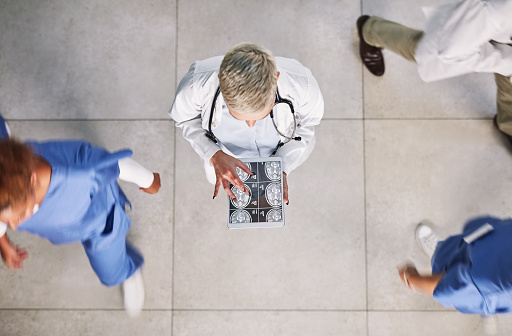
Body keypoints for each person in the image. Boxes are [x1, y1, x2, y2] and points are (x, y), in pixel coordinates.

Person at [0, 115, 161, 317]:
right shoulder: (9, 183)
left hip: (98, 222)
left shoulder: (78, 173)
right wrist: (3, 241)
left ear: (32, 180)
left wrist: (148, 180)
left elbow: (116, 165)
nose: (13, 226)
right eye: (6, 221)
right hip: (62, 226)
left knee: (111, 273)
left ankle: (128, 270)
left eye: (21, 214)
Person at [169, 43, 324, 202]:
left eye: (262, 115)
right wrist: (213, 154)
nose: (251, 125)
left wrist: (282, 167)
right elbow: (185, 119)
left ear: (276, 78)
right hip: (225, 153)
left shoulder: (304, 87)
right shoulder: (195, 85)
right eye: (239, 117)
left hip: (280, 148)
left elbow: (307, 125)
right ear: (220, 82)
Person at [356, 0, 512, 141]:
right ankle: (370, 29)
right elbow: (452, 51)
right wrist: (503, 62)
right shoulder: (499, 10)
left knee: (509, 91)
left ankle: (507, 125)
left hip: (502, 42)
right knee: (421, 51)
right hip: (481, 33)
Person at [398, 216, 512, 334]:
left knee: (477, 290)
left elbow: (446, 286)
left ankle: (487, 307)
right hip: (492, 240)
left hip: (486, 277)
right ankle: (488, 307)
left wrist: (411, 278)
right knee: (476, 235)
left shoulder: (498, 280)